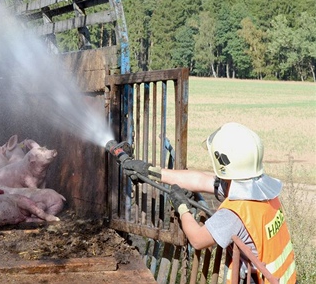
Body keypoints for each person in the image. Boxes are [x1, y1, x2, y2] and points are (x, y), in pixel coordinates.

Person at [123, 122, 296, 284]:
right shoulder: (262, 190)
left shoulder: (234, 213)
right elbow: (201, 181)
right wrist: (152, 172)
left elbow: (198, 240)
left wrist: (182, 208)